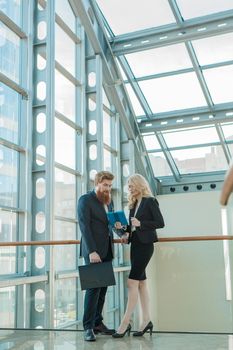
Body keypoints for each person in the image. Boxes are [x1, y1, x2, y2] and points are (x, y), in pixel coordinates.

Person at [112, 174, 165, 338]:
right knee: (141, 283)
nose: (130, 188)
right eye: (128, 186)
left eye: (131, 185)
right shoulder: (133, 205)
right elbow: (131, 229)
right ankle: (146, 321)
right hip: (135, 245)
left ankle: (125, 322)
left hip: (146, 246)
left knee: (131, 282)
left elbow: (160, 223)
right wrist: (123, 231)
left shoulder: (150, 201)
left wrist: (141, 223)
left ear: (139, 184)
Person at [78, 171, 116, 342]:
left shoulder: (109, 200)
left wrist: (120, 229)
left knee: (103, 289)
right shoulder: (85, 200)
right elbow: (84, 226)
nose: (108, 188)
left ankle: (97, 323)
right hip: (93, 251)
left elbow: (110, 224)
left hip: (107, 249)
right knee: (93, 289)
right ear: (97, 183)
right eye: (105, 185)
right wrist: (92, 250)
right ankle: (87, 327)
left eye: (110, 185)